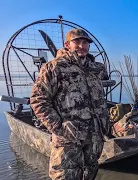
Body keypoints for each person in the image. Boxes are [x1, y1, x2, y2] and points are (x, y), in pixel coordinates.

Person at [30, 28, 110, 180]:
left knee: (90, 173)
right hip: (68, 138)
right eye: (77, 42)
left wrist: (105, 122)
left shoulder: (96, 68)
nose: (82, 45)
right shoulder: (53, 67)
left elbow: (99, 98)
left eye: (85, 42)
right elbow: (38, 99)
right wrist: (59, 127)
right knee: (64, 175)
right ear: (67, 44)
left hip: (94, 137)